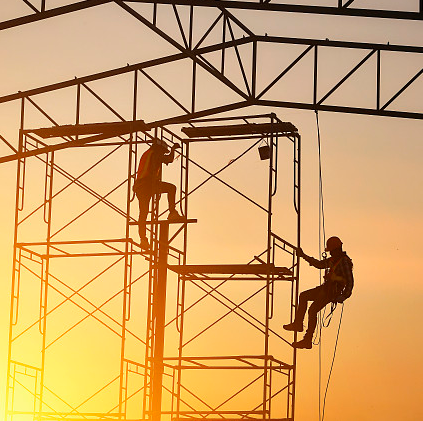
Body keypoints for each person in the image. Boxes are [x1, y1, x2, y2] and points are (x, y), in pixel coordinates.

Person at [283, 236, 354, 349]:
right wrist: (303, 256)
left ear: (336, 249)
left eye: (331, 251)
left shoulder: (344, 262)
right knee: (303, 296)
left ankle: (307, 340)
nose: (330, 253)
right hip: (325, 289)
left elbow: (350, 282)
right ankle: (298, 324)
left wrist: (343, 296)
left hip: (331, 293)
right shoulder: (333, 260)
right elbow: (318, 264)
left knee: (312, 310)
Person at [133, 140, 184, 250]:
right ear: (159, 149)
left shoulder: (148, 153)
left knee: (143, 213)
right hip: (148, 184)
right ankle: (172, 212)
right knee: (171, 188)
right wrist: (173, 149)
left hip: (141, 186)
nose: (163, 153)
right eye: (163, 151)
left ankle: (143, 239)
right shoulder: (155, 154)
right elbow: (168, 159)